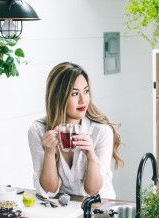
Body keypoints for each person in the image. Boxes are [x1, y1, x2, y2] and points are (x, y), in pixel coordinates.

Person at [28, 62, 123, 199]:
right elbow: (49, 191)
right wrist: (49, 152)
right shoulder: (38, 131)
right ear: (58, 97)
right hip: (65, 211)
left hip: (100, 211)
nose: (83, 100)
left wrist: (91, 156)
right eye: (74, 93)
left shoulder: (101, 131)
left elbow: (93, 192)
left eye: (86, 91)